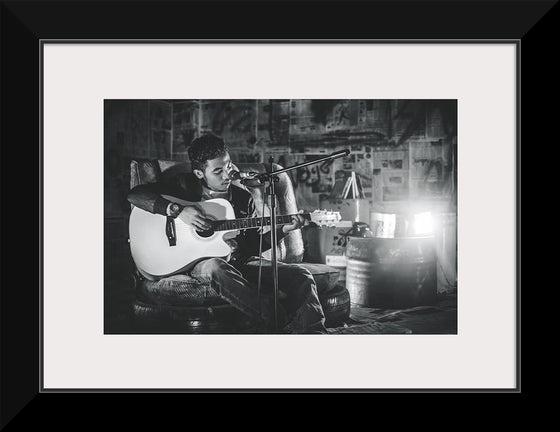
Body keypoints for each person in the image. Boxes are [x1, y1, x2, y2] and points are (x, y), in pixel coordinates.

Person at [127, 133, 328, 334]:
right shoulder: (182, 186)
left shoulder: (242, 197)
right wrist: (178, 210)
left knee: (301, 275)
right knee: (217, 266)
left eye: (228, 165)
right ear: (199, 173)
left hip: (238, 261)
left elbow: (252, 244)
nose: (227, 175)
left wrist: (283, 230)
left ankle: (314, 333)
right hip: (198, 262)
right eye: (218, 171)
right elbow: (135, 195)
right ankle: (277, 322)